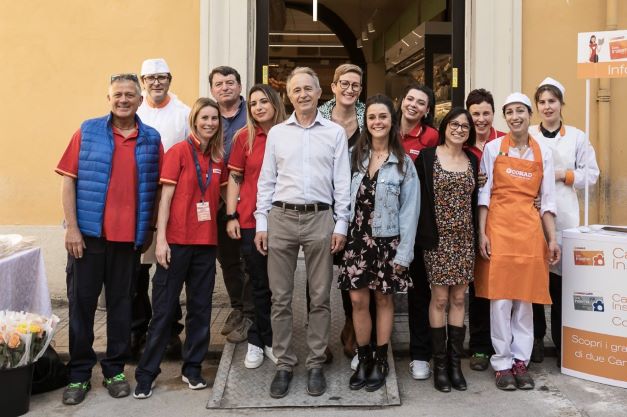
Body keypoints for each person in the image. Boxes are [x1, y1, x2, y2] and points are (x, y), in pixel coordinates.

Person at [55, 73, 162, 405]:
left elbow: (156, 190)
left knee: (121, 307)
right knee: (82, 307)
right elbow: (68, 182)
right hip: (87, 238)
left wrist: (149, 231)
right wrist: (72, 229)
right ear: (109, 98)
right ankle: (79, 373)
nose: (124, 99)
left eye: (130, 94)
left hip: (127, 240)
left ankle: (115, 369)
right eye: (118, 94)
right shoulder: (87, 131)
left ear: (140, 100)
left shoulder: (151, 138)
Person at [254, 67, 351, 398]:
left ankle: (314, 362)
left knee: (320, 295)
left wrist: (342, 223)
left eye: (308, 88)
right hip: (281, 216)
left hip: (320, 218)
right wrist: (262, 222)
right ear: (289, 95)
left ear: (319, 91)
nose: (303, 94)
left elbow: (342, 182)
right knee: (280, 297)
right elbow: (266, 180)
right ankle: (283, 363)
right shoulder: (278, 134)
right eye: (297, 90)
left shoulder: (335, 133)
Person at [134, 98, 228, 399]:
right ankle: (147, 373)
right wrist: (160, 240)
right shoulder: (178, 152)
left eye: (214, 118)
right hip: (175, 243)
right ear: (194, 120)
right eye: (204, 118)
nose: (210, 123)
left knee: (201, 310)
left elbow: (225, 194)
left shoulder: (217, 159)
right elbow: (165, 200)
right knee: (163, 312)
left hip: (205, 245)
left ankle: (192, 369)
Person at [476, 92, 560, 391]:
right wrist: (481, 232)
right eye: (509, 112)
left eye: (520, 111)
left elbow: (547, 201)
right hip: (498, 228)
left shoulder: (543, 153)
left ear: (529, 114)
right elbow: (484, 195)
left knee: (523, 300)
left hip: (528, 232)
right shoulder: (492, 148)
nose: (515, 116)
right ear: (505, 117)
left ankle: (520, 361)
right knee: (500, 300)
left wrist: (552, 239)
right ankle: (502, 362)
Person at [338, 94, 418, 392]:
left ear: (391, 121)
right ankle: (364, 357)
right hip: (357, 241)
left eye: (382, 117)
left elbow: (410, 214)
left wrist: (404, 255)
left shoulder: (403, 165)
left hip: (388, 243)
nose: (377, 122)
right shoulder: (354, 159)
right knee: (358, 300)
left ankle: (381, 359)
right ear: (365, 122)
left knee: (384, 299)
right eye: (371, 117)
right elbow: (341, 201)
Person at [529, 77, 599, 366]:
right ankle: (535, 339)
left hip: (565, 215)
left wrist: (563, 175)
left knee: (560, 285)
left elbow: (591, 175)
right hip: (531, 215)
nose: (547, 107)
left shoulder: (577, 137)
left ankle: (560, 343)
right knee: (534, 282)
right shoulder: (529, 133)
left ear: (561, 104)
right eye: (542, 102)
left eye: (552, 101)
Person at [415, 107, 480, 392]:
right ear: (444, 127)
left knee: (459, 299)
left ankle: (455, 365)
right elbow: (416, 199)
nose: (459, 129)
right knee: (439, 299)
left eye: (465, 126)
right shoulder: (428, 157)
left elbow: (481, 199)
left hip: (464, 239)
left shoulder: (473, 160)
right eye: (454, 124)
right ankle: (439, 365)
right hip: (436, 239)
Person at [132, 57, 191, 360]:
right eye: (150, 78)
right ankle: (139, 330)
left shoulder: (184, 114)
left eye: (162, 77)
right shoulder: (134, 112)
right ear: (142, 83)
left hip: (172, 201)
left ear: (170, 80)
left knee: (168, 268)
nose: (156, 83)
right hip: (139, 202)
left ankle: (170, 332)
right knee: (138, 271)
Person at [226, 84, 286, 369]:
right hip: (251, 220)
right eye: (253, 103)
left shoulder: (289, 133)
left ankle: (275, 339)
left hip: (286, 219)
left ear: (275, 103)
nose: (258, 107)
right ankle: (257, 340)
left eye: (264, 101)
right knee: (258, 284)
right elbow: (235, 179)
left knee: (281, 287)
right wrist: (231, 215)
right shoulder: (243, 137)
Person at [318, 63, 368, 362]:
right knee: (320, 276)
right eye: (344, 84)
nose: (350, 89)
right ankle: (318, 339)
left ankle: (352, 329)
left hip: (359, 209)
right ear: (333, 86)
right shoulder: (318, 116)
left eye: (356, 85)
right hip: (324, 206)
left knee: (353, 275)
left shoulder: (368, 116)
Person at [209, 66, 253, 343]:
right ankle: (237, 307)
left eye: (230, 82)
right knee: (227, 260)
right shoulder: (208, 116)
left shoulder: (253, 113)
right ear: (212, 89)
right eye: (219, 84)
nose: (225, 87)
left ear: (239, 86)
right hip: (216, 200)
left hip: (247, 199)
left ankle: (251, 313)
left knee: (249, 258)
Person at [399, 83, 439, 381]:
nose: (413, 105)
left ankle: (420, 354)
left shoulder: (431, 138)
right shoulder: (384, 126)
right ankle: (371, 350)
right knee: (378, 292)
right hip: (382, 223)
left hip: (418, 221)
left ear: (427, 110)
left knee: (419, 291)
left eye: (420, 102)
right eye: (410, 99)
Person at [464, 88, 506, 372]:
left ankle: (507, 345)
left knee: (503, 285)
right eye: (475, 114)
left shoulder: (505, 142)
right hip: (469, 222)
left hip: (502, 221)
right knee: (477, 284)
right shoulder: (460, 142)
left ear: (493, 114)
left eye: (485, 113)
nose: (480, 119)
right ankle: (479, 346)